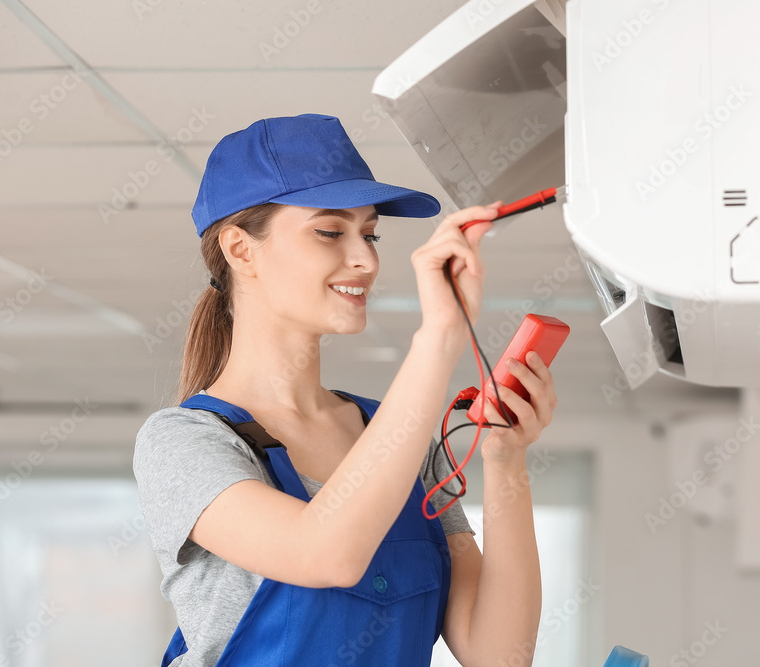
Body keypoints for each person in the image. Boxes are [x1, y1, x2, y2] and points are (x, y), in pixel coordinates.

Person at [133, 113, 557, 666]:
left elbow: (500, 656)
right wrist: (439, 338)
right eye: (330, 232)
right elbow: (324, 553)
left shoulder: (401, 445)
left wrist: (506, 462)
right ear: (241, 249)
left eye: (370, 233)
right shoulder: (182, 443)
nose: (366, 259)